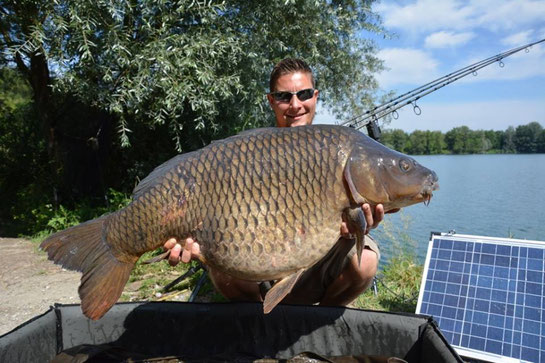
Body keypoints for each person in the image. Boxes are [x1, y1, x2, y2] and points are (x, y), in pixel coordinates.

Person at [163, 58, 393, 306]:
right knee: (218, 263)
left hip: (317, 258)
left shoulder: (336, 150)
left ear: (315, 96)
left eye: (304, 94)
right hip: (256, 260)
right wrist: (192, 238)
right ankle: (256, 323)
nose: (295, 105)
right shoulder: (247, 154)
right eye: (284, 97)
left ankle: (319, 324)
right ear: (271, 101)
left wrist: (352, 230)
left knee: (365, 261)